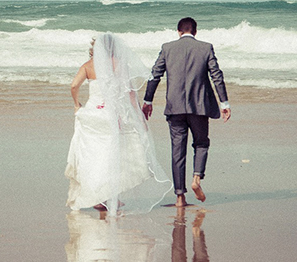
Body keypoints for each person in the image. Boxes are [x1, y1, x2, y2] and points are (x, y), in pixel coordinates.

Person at [65, 32, 171, 215]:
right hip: (113, 115)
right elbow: (130, 93)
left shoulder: (88, 66)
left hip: (92, 115)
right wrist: (139, 117)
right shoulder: (120, 65)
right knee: (112, 155)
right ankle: (108, 196)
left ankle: (99, 197)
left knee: (94, 156)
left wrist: (77, 105)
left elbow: (74, 86)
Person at [142, 17, 230, 206]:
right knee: (201, 143)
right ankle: (196, 179)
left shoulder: (167, 48)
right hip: (199, 108)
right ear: (195, 32)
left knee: (177, 150)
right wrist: (224, 103)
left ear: (179, 31)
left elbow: (154, 74)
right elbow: (217, 76)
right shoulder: (206, 48)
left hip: (174, 108)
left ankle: (180, 197)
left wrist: (148, 100)